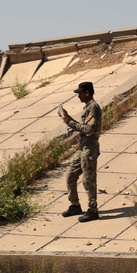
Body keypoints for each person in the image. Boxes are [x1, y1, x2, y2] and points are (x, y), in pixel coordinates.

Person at [58, 81, 102, 222]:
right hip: (83, 147)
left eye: (80, 93)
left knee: (88, 180)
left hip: (89, 148)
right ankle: (75, 205)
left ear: (87, 93)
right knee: (71, 175)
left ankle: (93, 210)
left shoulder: (93, 108)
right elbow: (84, 126)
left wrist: (70, 122)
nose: (78, 97)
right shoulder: (88, 107)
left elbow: (89, 129)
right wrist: (68, 119)